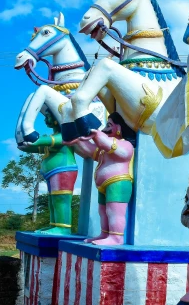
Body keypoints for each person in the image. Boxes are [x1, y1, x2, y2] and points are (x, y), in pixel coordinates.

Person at [77, 113, 136, 245]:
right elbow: (91, 151)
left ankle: (116, 237)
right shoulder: (104, 147)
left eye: (109, 125)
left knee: (114, 211)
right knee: (103, 211)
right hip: (103, 185)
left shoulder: (125, 144)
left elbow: (120, 152)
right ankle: (105, 234)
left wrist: (98, 135)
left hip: (118, 182)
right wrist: (77, 139)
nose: (106, 128)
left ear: (120, 128)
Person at [18, 105, 77, 235]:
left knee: (60, 199)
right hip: (54, 172)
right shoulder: (54, 135)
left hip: (63, 170)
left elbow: (43, 141)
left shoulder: (63, 136)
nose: (46, 119)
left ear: (57, 118)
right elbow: (38, 147)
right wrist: (24, 146)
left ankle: (64, 227)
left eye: (49, 116)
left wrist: (33, 139)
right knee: (52, 200)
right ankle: (55, 225)